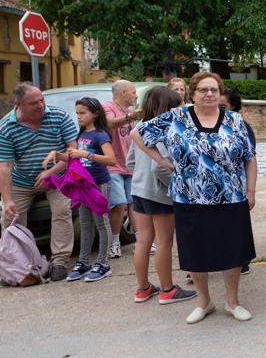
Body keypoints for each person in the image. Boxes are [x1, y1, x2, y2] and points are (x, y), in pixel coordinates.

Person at [132, 71, 257, 324]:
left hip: (231, 197)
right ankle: (204, 302)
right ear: (193, 92)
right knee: (196, 252)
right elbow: (138, 133)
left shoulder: (235, 120)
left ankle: (232, 301)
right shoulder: (176, 117)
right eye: (203, 90)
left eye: (214, 89)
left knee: (232, 251)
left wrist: (251, 191)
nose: (209, 94)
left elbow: (250, 156)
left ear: (220, 93)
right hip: (189, 197)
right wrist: (161, 160)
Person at [0, 82, 77, 281]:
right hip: (22, 181)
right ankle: (20, 265)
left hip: (58, 178)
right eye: (33, 103)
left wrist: (50, 172)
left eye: (42, 100)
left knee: (62, 210)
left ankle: (60, 261)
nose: (41, 105)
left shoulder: (59, 116)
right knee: (11, 218)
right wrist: (7, 200)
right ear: (18, 105)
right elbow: (5, 167)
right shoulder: (6, 127)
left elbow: (73, 154)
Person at [127, 87, 196, 304]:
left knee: (143, 241)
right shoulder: (165, 131)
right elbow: (161, 167)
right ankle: (168, 290)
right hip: (160, 194)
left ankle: (143, 288)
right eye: (176, 106)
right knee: (164, 242)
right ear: (165, 108)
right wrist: (179, 184)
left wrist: (141, 177)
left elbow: (130, 162)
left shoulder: (139, 127)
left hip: (138, 191)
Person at [43, 98, 116, 282]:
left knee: (101, 222)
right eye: (77, 113)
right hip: (82, 184)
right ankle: (84, 262)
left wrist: (86, 154)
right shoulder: (81, 134)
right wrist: (57, 154)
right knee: (85, 223)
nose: (79, 116)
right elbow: (72, 158)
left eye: (83, 113)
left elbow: (111, 160)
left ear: (95, 113)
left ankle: (103, 263)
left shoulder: (101, 135)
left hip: (98, 184)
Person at [103, 80, 142, 259]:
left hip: (129, 165)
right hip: (112, 166)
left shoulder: (128, 111)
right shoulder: (108, 107)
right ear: (123, 92)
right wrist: (131, 117)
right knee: (119, 205)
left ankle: (142, 241)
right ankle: (114, 242)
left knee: (134, 204)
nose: (136, 95)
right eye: (133, 92)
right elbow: (109, 123)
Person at [220, 87, 256, 275]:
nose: (219, 110)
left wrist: (251, 190)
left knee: (236, 227)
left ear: (233, 106)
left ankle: (241, 260)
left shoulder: (241, 125)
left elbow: (250, 158)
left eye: (223, 106)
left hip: (236, 186)